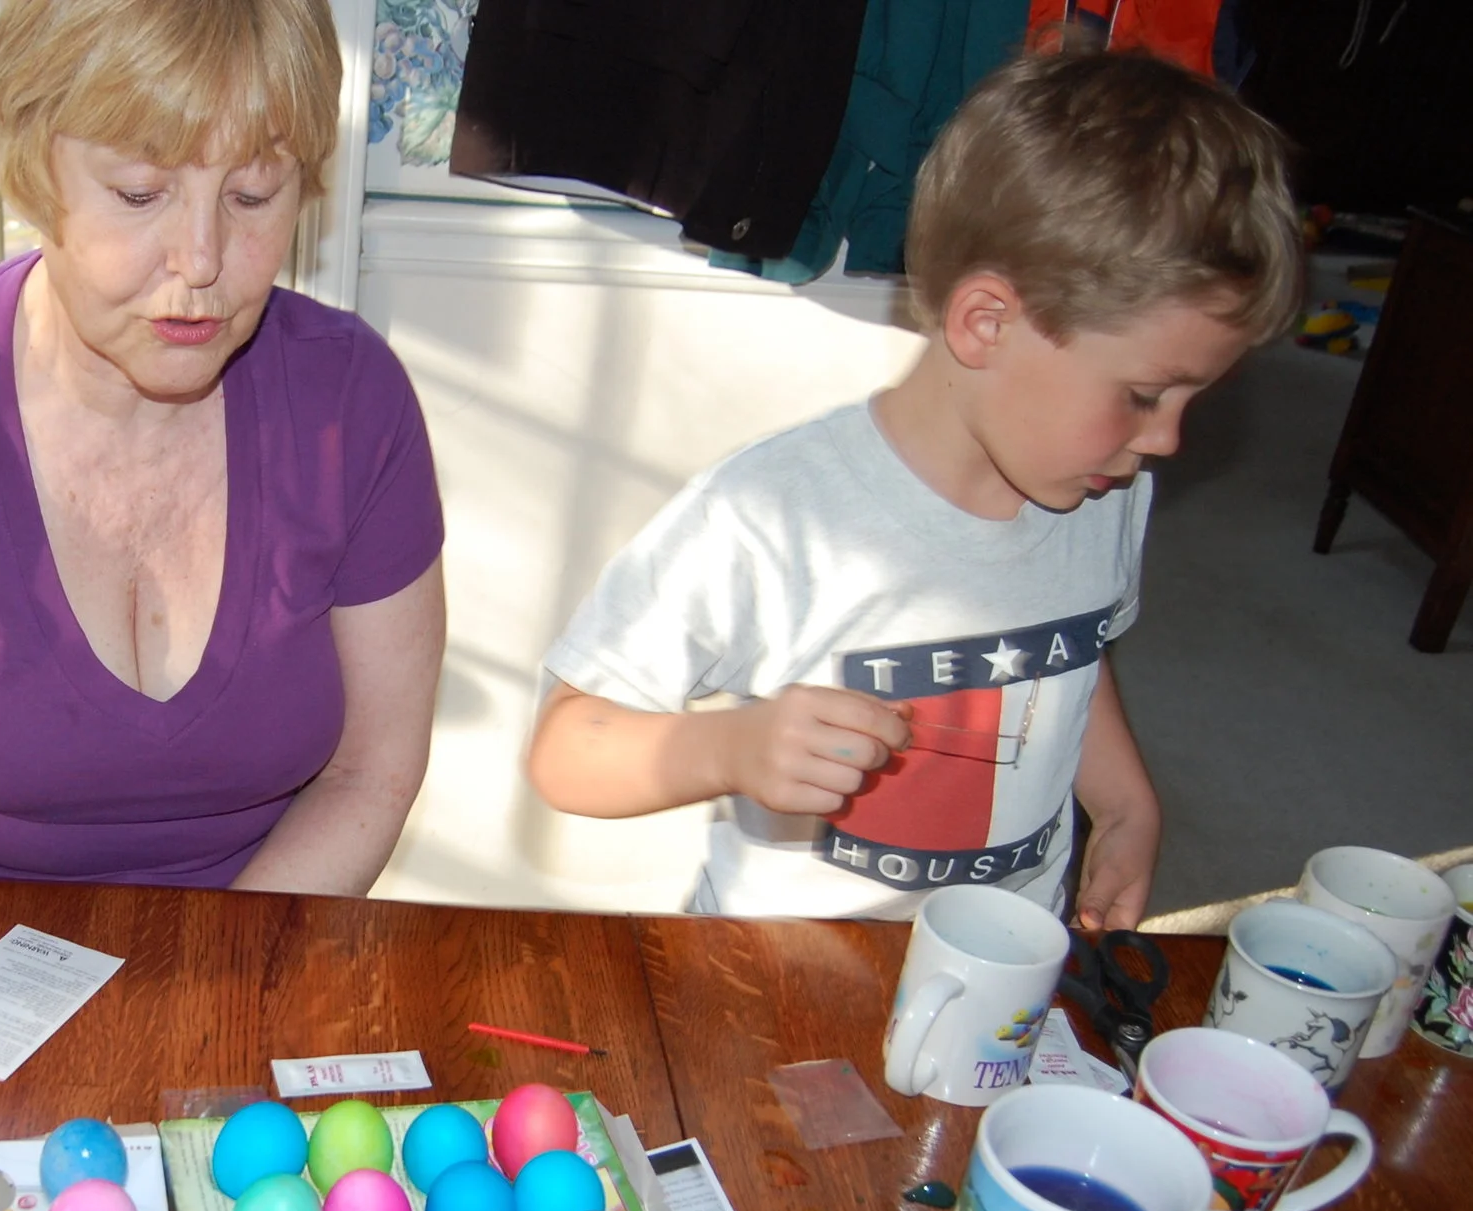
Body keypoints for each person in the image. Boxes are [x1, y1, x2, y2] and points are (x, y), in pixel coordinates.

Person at [525, 50, 1301, 927]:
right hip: (781, 969)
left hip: (1002, 952)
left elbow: (1065, 652)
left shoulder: (1106, 491)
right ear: (986, 323)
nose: (1165, 441)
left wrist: (1124, 803)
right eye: (1145, 395)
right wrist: (727, 747)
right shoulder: (771, 515)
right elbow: (564, 748)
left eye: (1195, 399)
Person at [0, 0, 446, 892]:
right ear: (32, 171)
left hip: (265, 930)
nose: (201, 260)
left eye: (251, 195)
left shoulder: (353, 402)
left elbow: (369, 774)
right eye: (140, 194)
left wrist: (227, 966)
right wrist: (17, 975)